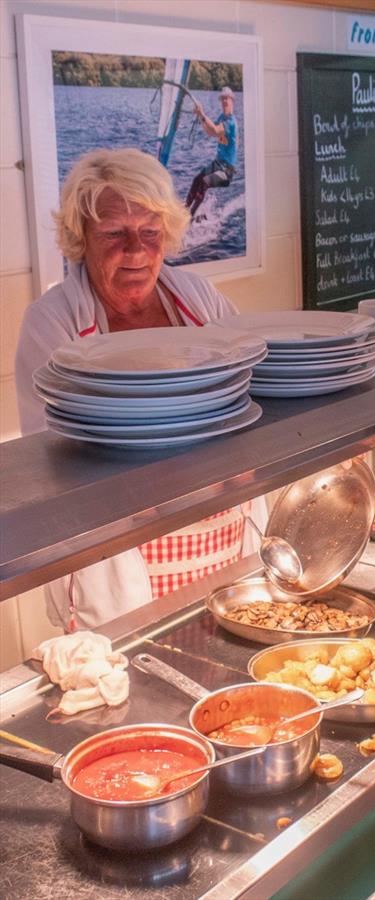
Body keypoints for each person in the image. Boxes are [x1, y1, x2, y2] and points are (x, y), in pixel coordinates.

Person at [15, 147, 266, 630]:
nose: (135, 250)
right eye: (114, 233)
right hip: (118, 552)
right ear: (80, 237)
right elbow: (57, 454)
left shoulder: (196, 295)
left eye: (149, 232)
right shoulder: (51, 322)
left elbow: (256, 386)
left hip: (221, 529)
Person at [185, 85, 238, 218]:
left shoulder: (231, 122)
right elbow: (210, 132)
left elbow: (215, 130)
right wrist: (200, 116)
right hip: (217, 164)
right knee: (197, 180)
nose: (225, 101)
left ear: (232, 101)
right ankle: (184, 210)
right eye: (223, 99)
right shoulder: (221, 117)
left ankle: (189, 217)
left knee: (204, 182)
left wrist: (202, 114)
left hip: (226, 172)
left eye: (227, 99)